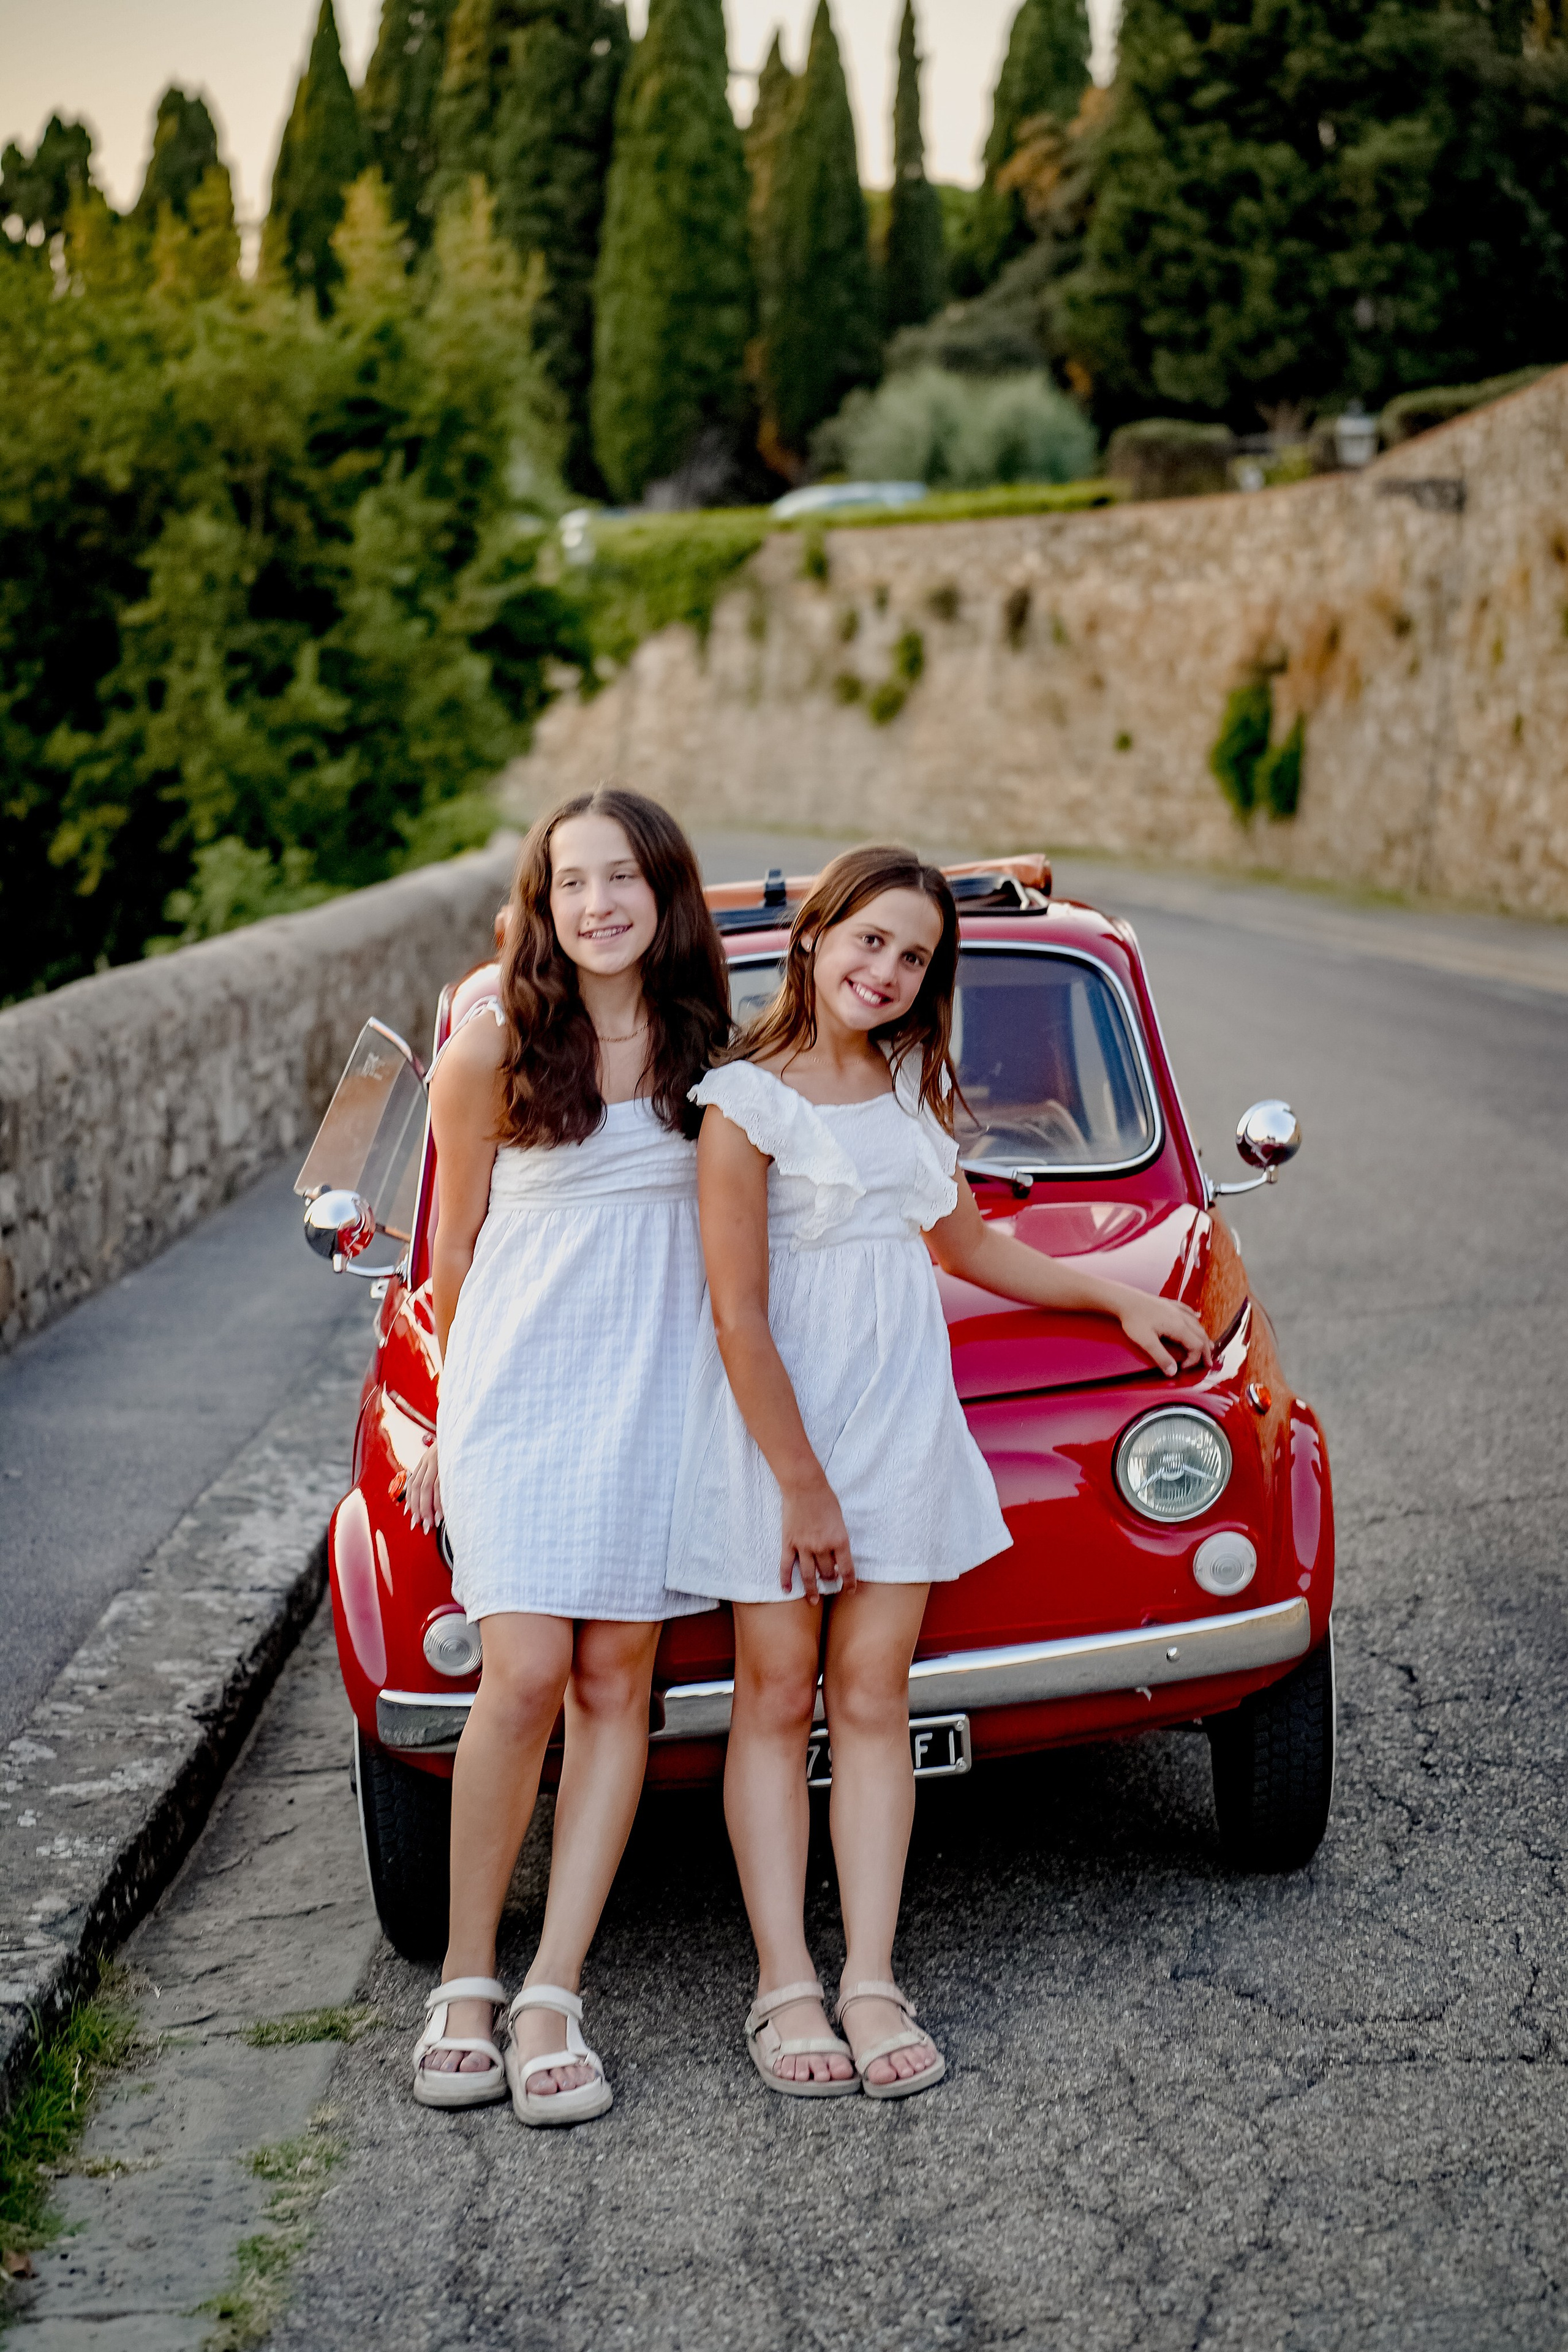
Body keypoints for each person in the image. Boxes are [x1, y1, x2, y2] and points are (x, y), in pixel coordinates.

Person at [667, 845, 1213, 2100]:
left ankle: (868, 1976)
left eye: (912, 957)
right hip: (778, 1440)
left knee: (872, 1701)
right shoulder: (740, 1102)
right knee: (771, 1696)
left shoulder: (910, 1082)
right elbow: (737, 1317)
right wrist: (799, 1485)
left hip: (897, 1425)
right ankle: (782, 1986)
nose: (885, 971)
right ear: (815, 936)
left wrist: (1105, 1302)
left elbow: (960, 1241)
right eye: (868, 942)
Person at [404, 786, 728, 2126]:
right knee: (523, 1670)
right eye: (568, 883)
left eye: (620, 879)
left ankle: (551, 1993)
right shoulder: (489, 1050)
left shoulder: (712, 1052)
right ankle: (463, 1982)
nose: (596, 905)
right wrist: (436, 1419)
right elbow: (452, 1256)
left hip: (656, 1396)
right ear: (538, 908)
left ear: (664, 893)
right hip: (519, 1397)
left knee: (613, 1683)